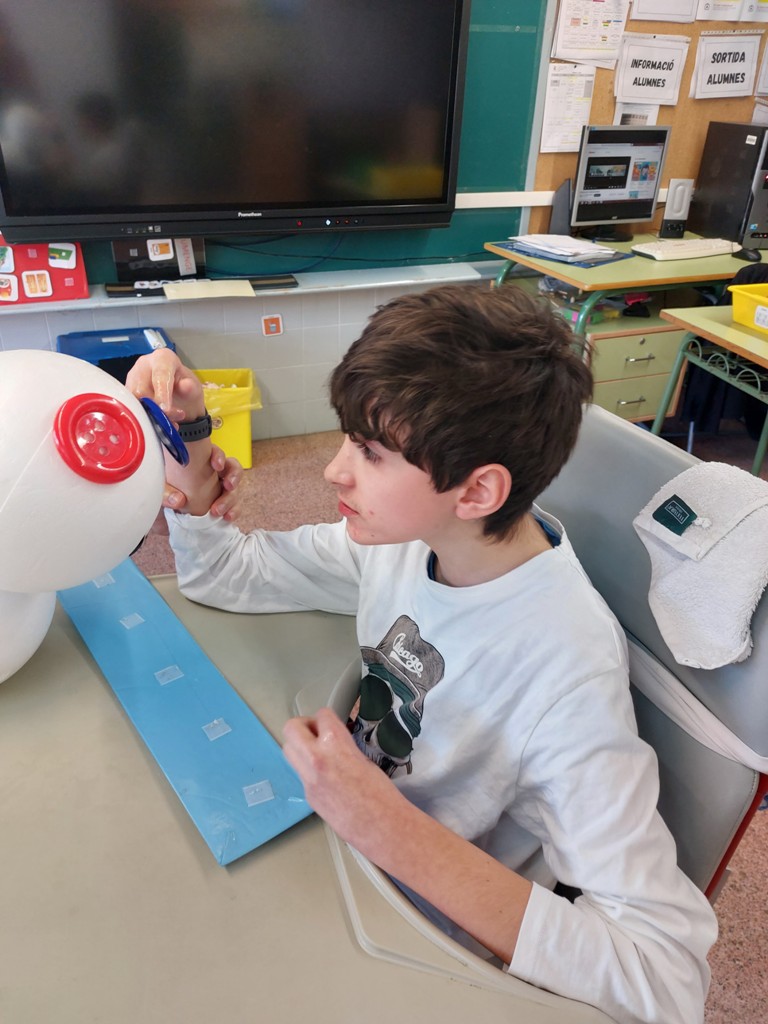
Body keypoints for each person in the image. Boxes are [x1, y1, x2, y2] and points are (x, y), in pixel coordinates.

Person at [126, 283, 717, 1024]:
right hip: (347, 844)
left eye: (372, 453)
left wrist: (385, 825)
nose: (332, 470)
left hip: (417, 927)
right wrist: (189, 434)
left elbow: (666, 977)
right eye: (348, 438)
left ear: (477, 492)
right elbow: (225, 574)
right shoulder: (407, 542)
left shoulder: (567, 670)